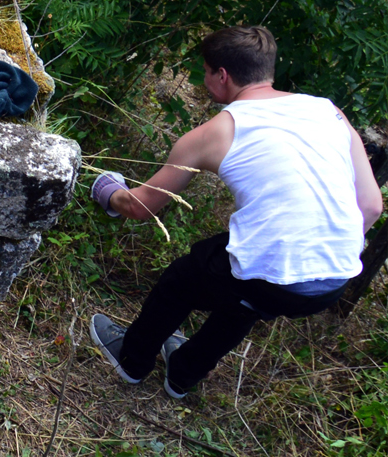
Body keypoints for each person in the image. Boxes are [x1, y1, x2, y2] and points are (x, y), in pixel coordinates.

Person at [89, 25, 380, 398]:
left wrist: (106, 189)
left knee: (183, 280)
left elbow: (141, 207)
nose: (204, 79)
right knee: (248, 294)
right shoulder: (330, 112)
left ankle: (132, 360)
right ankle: (182, 375)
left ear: (221, 75)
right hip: (335, 280)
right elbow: (371, 206)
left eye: (206, 72)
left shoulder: (216, 132)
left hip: (280, 271)